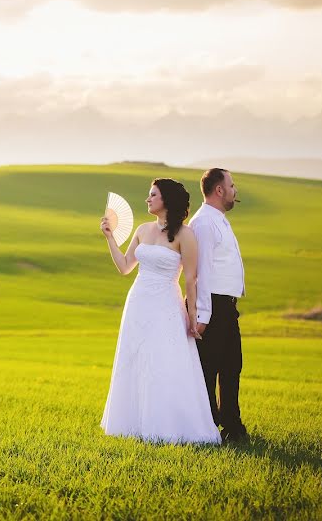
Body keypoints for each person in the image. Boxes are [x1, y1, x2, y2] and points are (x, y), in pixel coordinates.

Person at [99, 178, 221, 444]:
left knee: (164, 361)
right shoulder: (142, 230)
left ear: (166, 199)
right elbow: (124, 267)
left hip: (166, 304)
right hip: (138, 303)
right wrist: (110, 238)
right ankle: (132, 423)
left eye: (152, 195)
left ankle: (167, 425)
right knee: (134, 358)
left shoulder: (186, 235)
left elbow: (191, 280)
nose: (147, 199)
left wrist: (193, 318)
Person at [189, 168, 249, 443]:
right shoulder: (204, 223)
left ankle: (232, 425)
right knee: (208, 369)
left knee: (231, 365)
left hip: (226, 305)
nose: (236, 191)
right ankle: (210, 427)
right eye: (232, 185)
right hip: (211, 305)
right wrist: (203, 314)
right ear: (219, 190)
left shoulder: (219, 220)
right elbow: (203, 270)